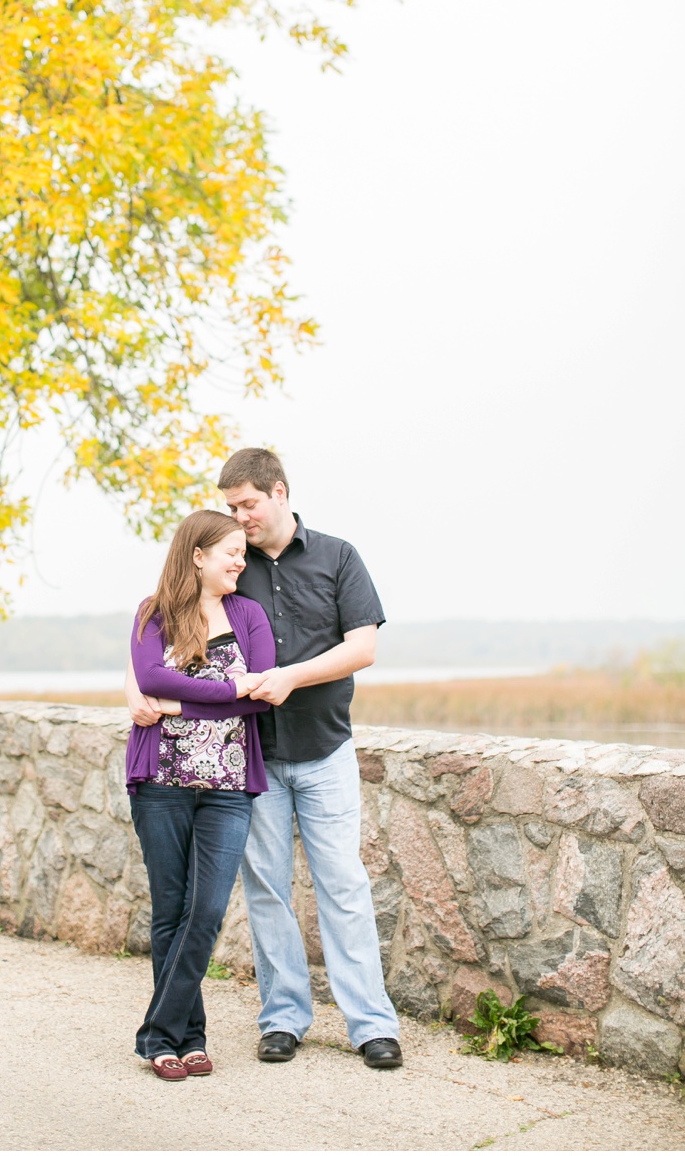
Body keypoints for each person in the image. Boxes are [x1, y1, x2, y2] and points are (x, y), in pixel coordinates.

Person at [127, 448, 401, 1071]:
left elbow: (364, 647)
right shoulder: (231, 566)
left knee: (344, 885)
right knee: (268, 892)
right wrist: (132, 690)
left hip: (325, 747)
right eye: (231, 508)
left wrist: (290, 678)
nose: (240, 518)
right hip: (252, 759)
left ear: (280, 492)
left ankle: (372, 1025)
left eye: (248, 504)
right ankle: (283, 1020)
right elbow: (161, 621)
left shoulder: (338, 556)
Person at [123, 509, 275, 1080]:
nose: (241, 560)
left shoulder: (249, 615)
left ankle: (155, 1031)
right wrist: (229, 687)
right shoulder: (154, 612)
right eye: (231, 551)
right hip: (160, 781)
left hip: (228, 785)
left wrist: (187, 704)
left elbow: (260, 697)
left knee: (206, 910)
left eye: (243, 551)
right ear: (197, 555)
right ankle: (185, 1040)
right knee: (171, 911)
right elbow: (152, 678)